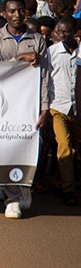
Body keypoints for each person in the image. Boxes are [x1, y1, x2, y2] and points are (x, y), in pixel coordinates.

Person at [0, 0, 49, 218]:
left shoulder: (37, 40)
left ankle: (23, 187)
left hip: (30, 104)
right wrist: (19, 59)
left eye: (20, 11)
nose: (16, 15)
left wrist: (45, 107)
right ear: (4, 13)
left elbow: (45, 76)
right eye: (11, 11)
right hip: (3, 102)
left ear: (26, 12)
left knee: (31, 145)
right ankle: (12, 197)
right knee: (6, 145)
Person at [45, 16, 80, 206]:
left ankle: (61, 181)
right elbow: (45, 80)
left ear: (75, 31)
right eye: (59, 31)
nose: (62, 35)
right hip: (58, 107)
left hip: (78, 108)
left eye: (66, 31)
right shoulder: (51, 53)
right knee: (64, 147)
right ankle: (69, 190)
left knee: (74, 149)